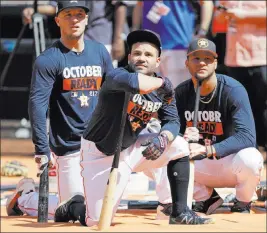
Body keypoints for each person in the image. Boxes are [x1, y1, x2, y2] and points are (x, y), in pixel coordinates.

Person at [53, 29, 214, 226]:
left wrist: (164, 138)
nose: (141, 58)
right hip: (101, 153)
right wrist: (163, 83)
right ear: (129, 57)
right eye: (137, 54)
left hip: (132, 147)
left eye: (148, 55)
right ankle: (72, 205)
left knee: (179, 145)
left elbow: (173, 122)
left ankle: (179, 212)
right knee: (96, 221)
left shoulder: (163, 87)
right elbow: (138, 84)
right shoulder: (117, 76)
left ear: (158, 61)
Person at [6, 0, 114, 219]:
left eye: (79, 14)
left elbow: (112, 94)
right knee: (77, 210)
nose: (74, 19)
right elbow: (37, 104)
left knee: (105, 207)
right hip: (69, 149)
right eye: (68, 15)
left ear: (87, 19)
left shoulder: (100, 51)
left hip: (99, 146)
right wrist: (41, 148)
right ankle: (26, 196)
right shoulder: (48, 59)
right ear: (57, 20)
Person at [175, 38, 264, 214]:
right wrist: (182, 136)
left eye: (208, 59)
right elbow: (170, 131)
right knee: (160, 151)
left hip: (231, 163)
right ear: (186, 63)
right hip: (200, 166)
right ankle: (206, 199)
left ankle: (243, 201)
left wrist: (209, 150)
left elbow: (247, 137)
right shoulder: (181, 92)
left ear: (215, 63)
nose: (202, 62)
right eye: (196, 58)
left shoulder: (232, 89)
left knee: (251, 158)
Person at [215, 1, 267, 162]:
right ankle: (249, 147)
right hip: (234, 58)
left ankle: (265, 146)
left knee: (264, 105)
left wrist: (243, 15)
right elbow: (217, 20)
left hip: (261, 56)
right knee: (239, 107)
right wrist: (224, 14)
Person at [131, 0, 214, 88]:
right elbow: (139, 4)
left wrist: (202, 31)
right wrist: (135, 29)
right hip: (148, 46)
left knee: (177, 92)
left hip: (179, 45)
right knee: (149, 95)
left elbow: (207, 3)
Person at [22, 0, 128, 64]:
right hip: (74, 41)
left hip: (102, 38)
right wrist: (35, 10)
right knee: (78, 87)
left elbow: (120, 5)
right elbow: (58, 6)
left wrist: (118, 38)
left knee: (103, 88)